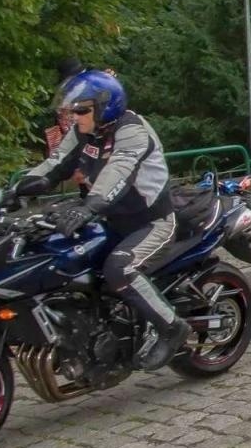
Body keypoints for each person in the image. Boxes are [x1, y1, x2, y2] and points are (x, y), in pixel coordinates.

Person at [13, 70, 187, 371]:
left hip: (150, 222)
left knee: (119, 269)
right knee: (59, 256)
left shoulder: (132, 131)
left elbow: (117, 172)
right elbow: (55, 165)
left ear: (105, 106)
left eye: (81, 109)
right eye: (72, 109)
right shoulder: (86, 131)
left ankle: (172, 328)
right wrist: (13, 191)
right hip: (110, 219)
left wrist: (90, 206)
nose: (73, 115)